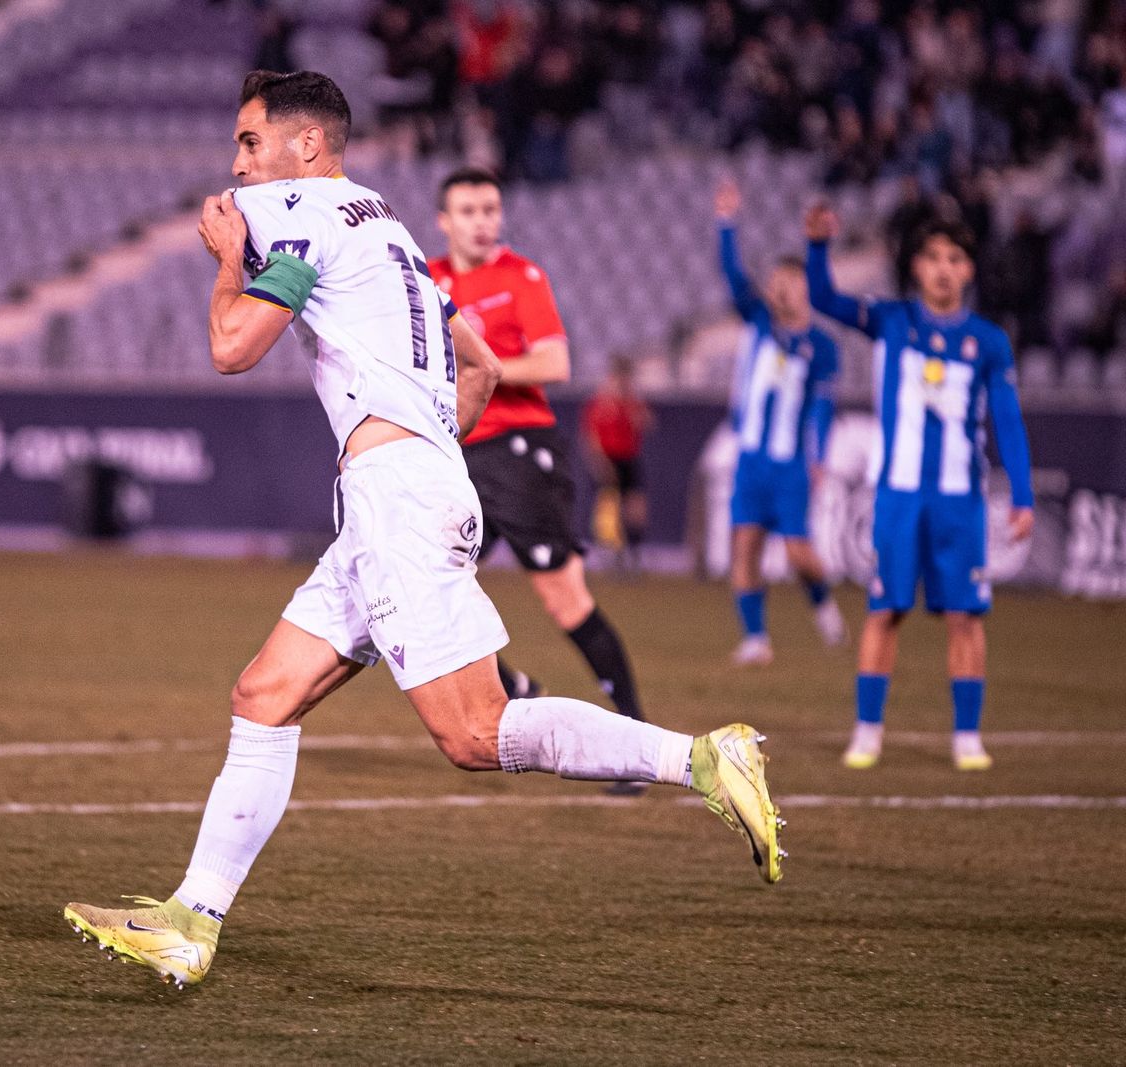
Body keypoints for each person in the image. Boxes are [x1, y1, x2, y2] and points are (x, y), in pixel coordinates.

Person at [62, 70, 784, 990]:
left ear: (307, 147)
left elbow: (231, 347)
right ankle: (190, 920)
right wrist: (429, 457)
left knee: (475, 733)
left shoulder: (296, 210)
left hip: (396, 499)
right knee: (264, 694)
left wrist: (227, 255)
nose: (237, 164)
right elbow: (477, 367)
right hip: (404, 490)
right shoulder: (390, 228)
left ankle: (698, 759)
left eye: (250, 142)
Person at [427, 168, 650, 777]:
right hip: (458, 455)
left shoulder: (520, 276)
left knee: (566, 602)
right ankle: (518, 689)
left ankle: (634, 742)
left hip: (521, 453)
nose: (482, 221)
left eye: (490, 209)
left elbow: (555, 359)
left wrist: (480, 368)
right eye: (468, 211)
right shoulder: (426, 278)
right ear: (444, 222)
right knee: (430, 588)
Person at [805, 204, 1034, 771]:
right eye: (933, 257)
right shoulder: (891, 320)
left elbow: (1007, 420)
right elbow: (825, 300)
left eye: (955, 259)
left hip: (960, 501)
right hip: (899, 497)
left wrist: (1024, 495)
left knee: (966, 617)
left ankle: (966, 738)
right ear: (915, 265)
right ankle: (867, 732)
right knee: (886, 609)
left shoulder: (989, 342)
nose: (943, 268)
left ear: (970, 271)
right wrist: (816, 248)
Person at [714, 178, 847, 666]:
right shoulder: (757, 321)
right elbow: (731, 274)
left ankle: (824, 604)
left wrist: (818, 456)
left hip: (791, 463)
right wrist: (726, 221)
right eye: (772, 283)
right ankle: (756, 639)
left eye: (785, 283)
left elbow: (824, 406)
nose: (775, 290)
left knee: (797, 552)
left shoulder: (824, 347)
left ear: (804, 287)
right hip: (752, 459)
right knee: (744, 546)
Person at [582, 357, 653, 573]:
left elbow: (647, 424)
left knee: (635, 508)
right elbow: (591, 435)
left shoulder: (632, 402)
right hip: (609, 458)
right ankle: (610, 555)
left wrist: (632, 410)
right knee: (608, 507)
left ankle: (634, 553)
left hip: (629, 458)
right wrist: (600, 462)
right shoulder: (601, 402)